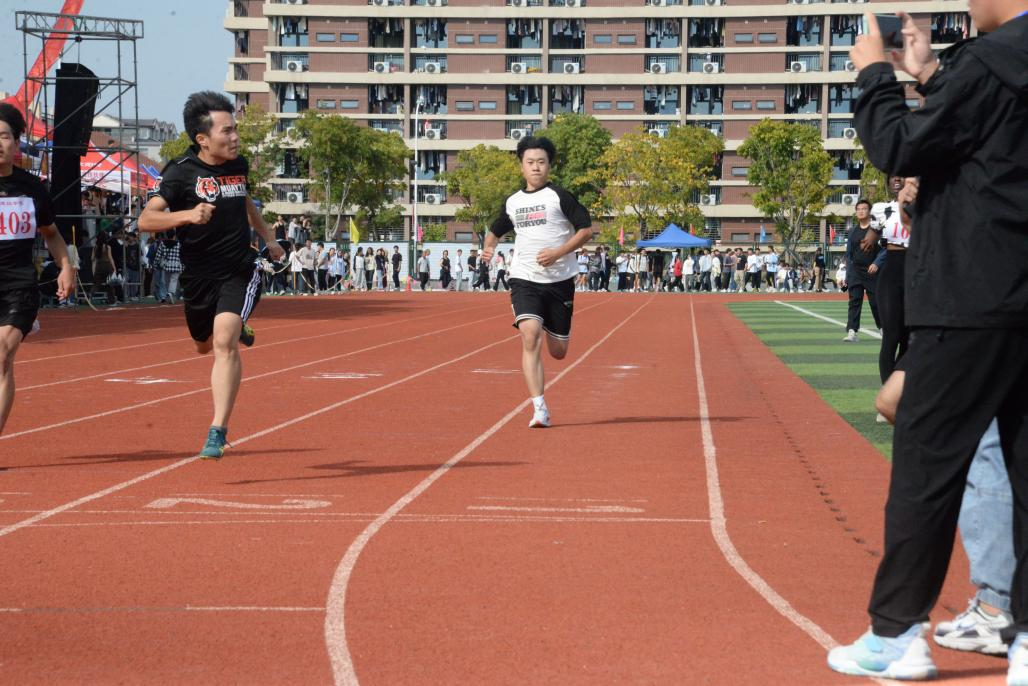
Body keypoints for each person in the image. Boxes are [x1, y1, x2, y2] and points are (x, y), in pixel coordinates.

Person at [826, 5, 1028, 682]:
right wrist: (935, 75)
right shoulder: (992, 66)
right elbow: (990, 138)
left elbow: (901, 147)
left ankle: (895, 635)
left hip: (971, 293)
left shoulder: (992, 59)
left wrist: (874, 76)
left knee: (926, 469)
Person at [138, 91, 284, 459]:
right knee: (203, 345)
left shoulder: (239, 165)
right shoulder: (179, 172)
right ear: (203, 138)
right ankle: (236, 326)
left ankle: (217, 430)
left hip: (239, 268)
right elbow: (146, 220)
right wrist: (187, 215)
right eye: (227, 131)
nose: (235, 138)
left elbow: (246, 202)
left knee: (223, 342)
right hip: (198, 276)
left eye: (235, 130)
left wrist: (269, 239)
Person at [483, 136, 591, 428]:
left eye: (541, 162)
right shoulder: (513, 202)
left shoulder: (560, 197)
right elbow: (495, 230)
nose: (535, 167)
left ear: (549, 166)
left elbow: (586, 230)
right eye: (530, 162)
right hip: (524, 278)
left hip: (559, 281)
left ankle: (548, 322)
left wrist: (558, 252)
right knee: (530, 334)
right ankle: (539, 408)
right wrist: (489, 247)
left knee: (558, 352)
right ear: (521, 166)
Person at [0, 103, 75, 435]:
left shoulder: (32, 189)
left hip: (18, 286)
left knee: (2, 355)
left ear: (17, 143)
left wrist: (66, 266)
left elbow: (51, 234)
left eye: (4, 136)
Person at [871, 176, 913, 384]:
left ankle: (900, 389)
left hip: (917, 274)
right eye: (892, 175)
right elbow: (871, 237)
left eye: (902, 174)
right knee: (891, 336)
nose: (896, 178)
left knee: (909, 339)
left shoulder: (927, 209)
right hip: (891, 274)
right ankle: (887, 390)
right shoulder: (881, 209)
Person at [840, 200, 882, 342]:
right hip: (855, 272)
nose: (861, 211)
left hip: (872, 272)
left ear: (870, 212)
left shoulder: (876, 230)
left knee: (876, 303)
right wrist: (847, 275)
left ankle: (882, 328)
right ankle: (852, 331)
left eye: (864, 208)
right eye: (858, 209)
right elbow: (849, 254)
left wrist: (877, 263)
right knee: (854, 302)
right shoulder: (852, 231)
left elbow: (885, 249)